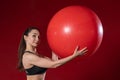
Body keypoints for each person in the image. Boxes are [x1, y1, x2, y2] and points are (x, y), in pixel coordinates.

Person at [17, 26, 88, 80]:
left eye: (39, 37)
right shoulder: (28, 56)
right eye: (34, 36)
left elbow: (54, 61)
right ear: (25, 37)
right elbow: (54, 65)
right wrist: (74, 55)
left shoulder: (37, 55)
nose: (37, 39)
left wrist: (54, 42)